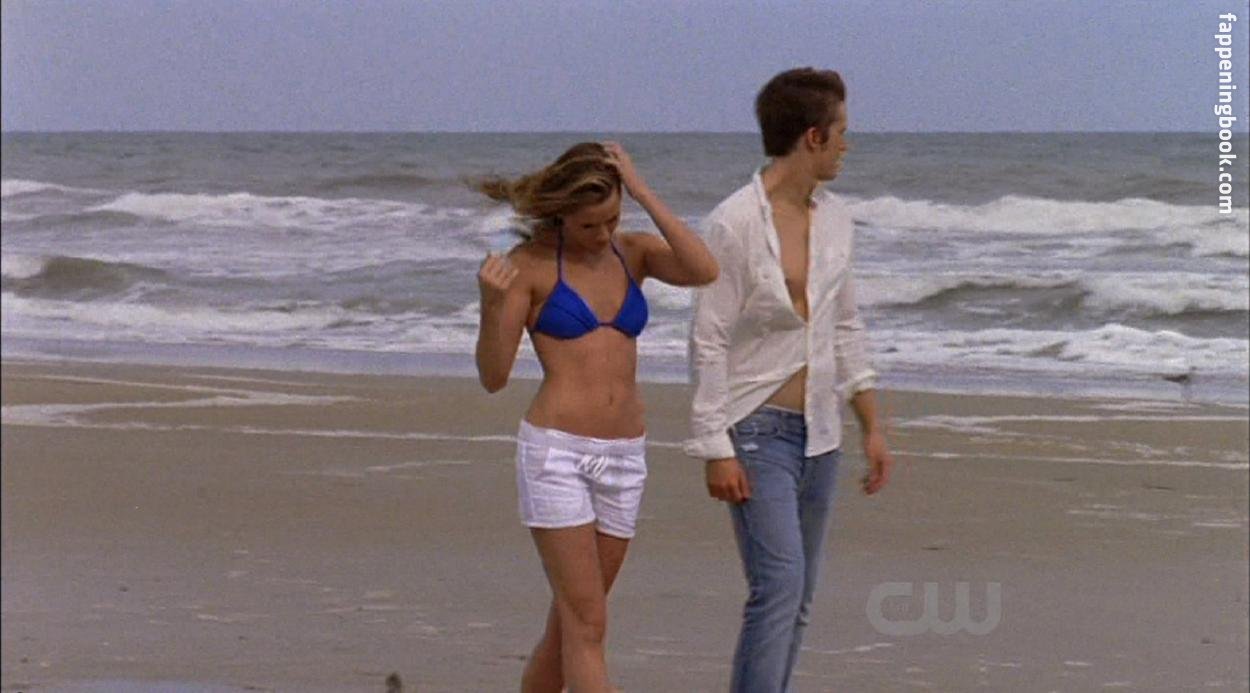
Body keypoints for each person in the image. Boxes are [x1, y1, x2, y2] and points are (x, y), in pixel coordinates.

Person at [475, 141, 718, 693]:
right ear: (561, 214)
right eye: (589, 225)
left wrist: (641, 189)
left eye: (612, 218)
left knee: (570, 624)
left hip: (625, 458)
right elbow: (493, 376)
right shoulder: (530, 267)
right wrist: (491, 307)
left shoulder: (632, 253)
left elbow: (703, 269)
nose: (604, 234)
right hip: (556, 456)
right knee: (587, 622)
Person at [685, 68, 894, 692]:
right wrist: (715, 448)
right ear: (812, 137)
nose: (847, 145)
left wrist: (871, 424)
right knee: (777, 586)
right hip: (756, 432)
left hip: (821, 435)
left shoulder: (836, 220)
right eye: (841, 131)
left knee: (798, 595)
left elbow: (845, 325)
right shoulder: (734, 222)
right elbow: (708, 337)